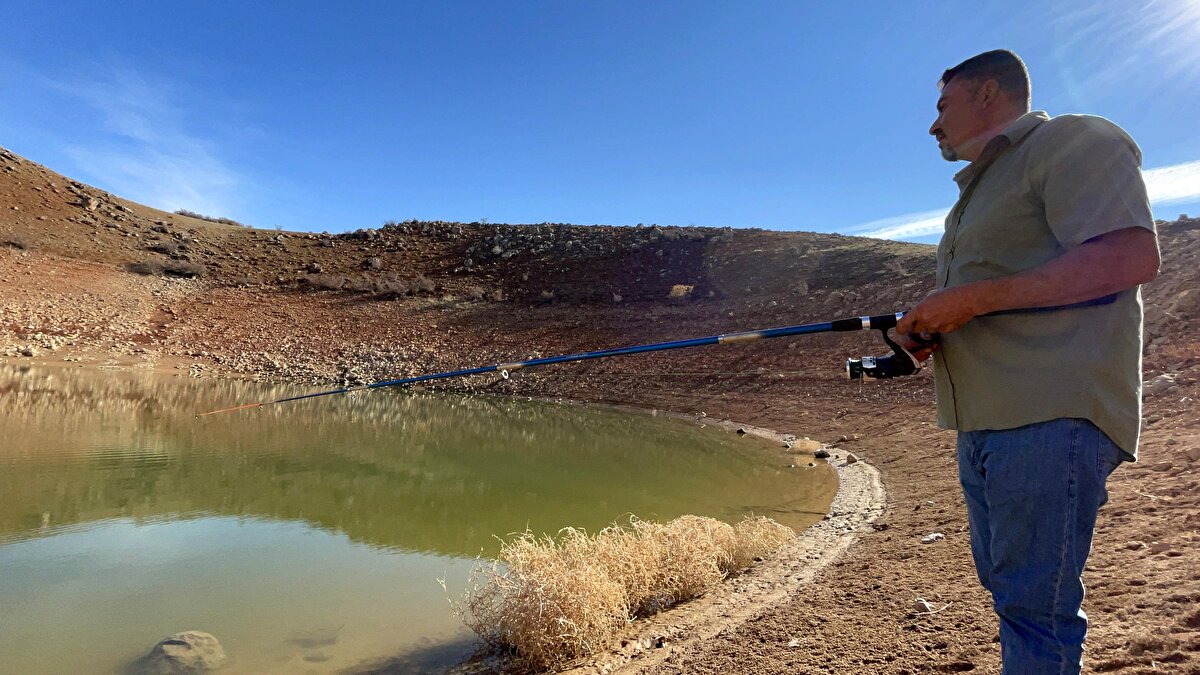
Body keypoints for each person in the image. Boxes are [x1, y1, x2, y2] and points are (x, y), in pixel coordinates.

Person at [895, 50, 1160, 674]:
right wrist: (937, 322)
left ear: (989, 94)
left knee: (1035, 608)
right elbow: (995, 296)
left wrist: (969, 299)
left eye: (942, 106)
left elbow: (1127, 259)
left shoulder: (1071, 140)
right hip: (987, 422)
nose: (934, 126)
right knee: (1015, 594)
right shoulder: (974, 195)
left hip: (1048, 414)